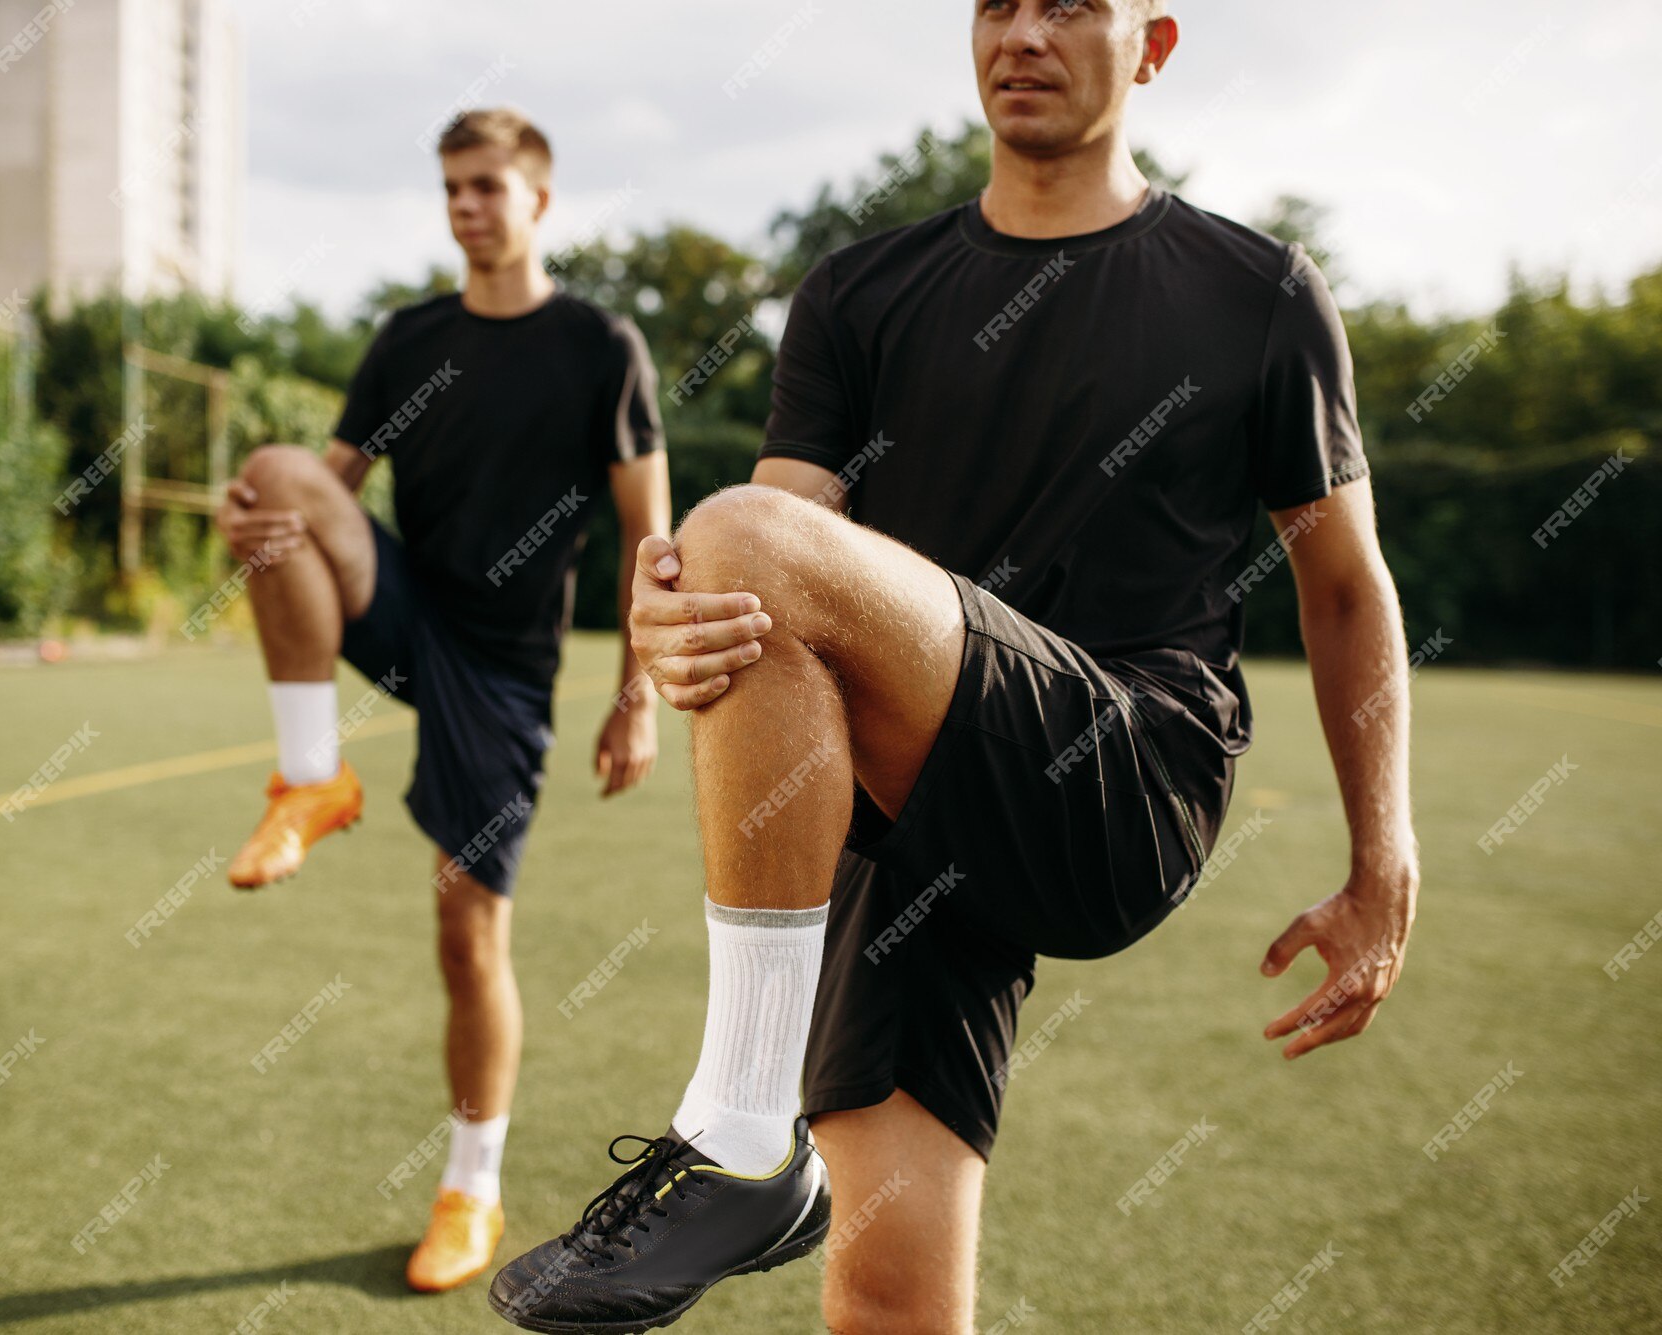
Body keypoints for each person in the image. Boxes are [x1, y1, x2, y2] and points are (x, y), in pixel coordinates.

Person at [490, 4, 1417, 1331]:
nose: (1024, 32)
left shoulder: (1257, 290)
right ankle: (761, 1155)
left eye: (1069, 4)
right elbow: (773, 540)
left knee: (743, 540)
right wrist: (677, 610)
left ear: (1151, 44)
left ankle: (741, 1136)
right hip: (909, 803)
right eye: (996, 3)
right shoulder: (860, 290)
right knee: (884, 1290)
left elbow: (1344, 584)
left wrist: (1383, 858)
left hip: (1123, 772)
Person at [216, 107, 669, 1294]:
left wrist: (637, 700)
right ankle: (311, 775)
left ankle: (470, 1187)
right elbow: (326, 496)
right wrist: (256, 532)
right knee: (275, 474)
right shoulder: (408, 340)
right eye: (450, 190)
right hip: (410, 611)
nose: (465, 207)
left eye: (485, 187)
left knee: (466, 934)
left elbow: (645, 540)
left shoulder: (599, 345)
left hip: (507, 671)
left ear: (538, 201)